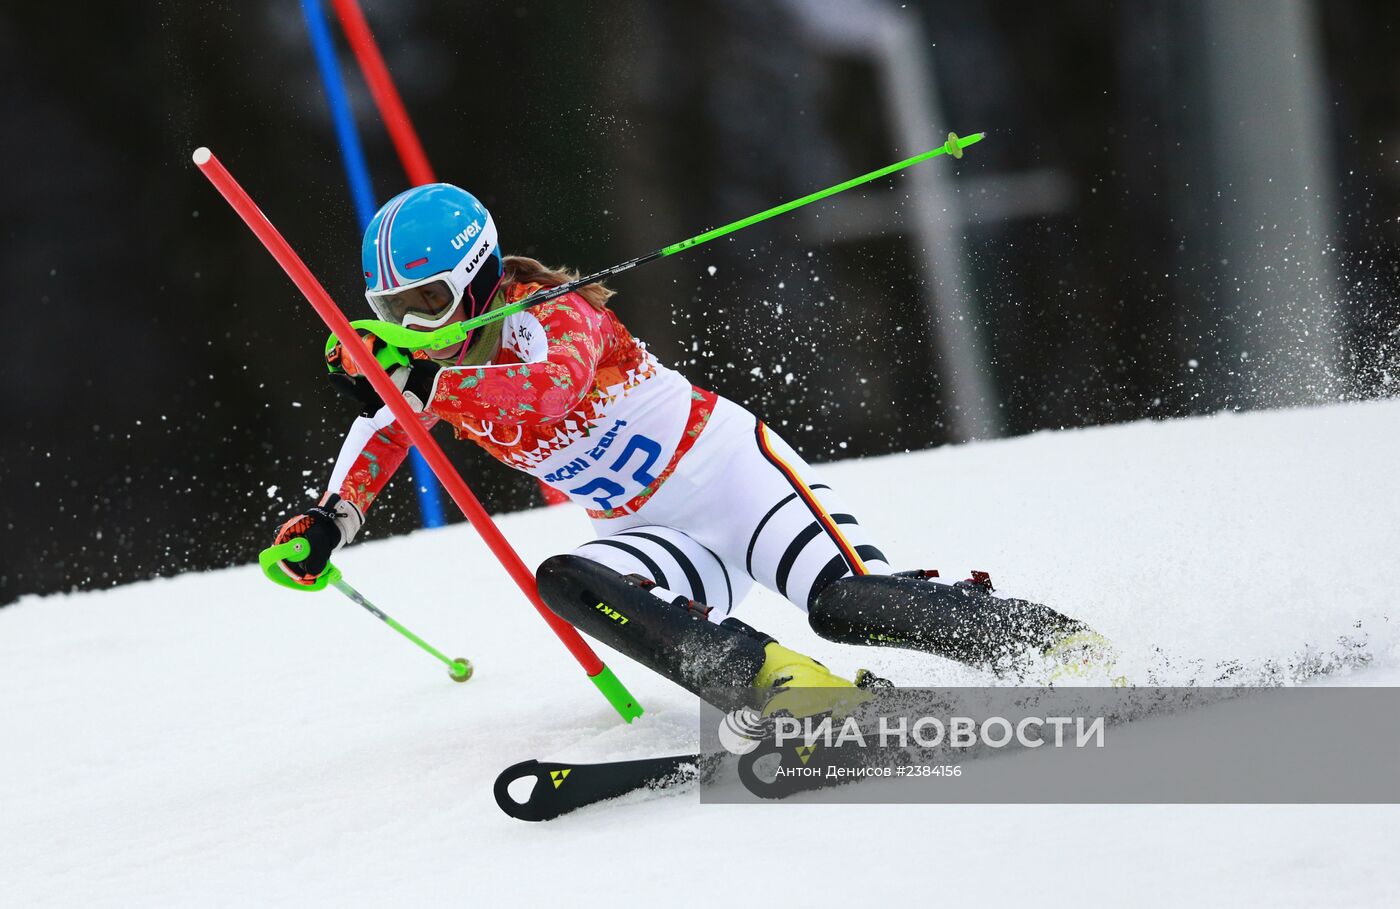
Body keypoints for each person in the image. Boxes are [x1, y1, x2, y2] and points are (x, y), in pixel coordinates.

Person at [272, 184, 1109, 706]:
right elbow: (381, 430)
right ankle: (785, 689)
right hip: (651, 528)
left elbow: (544, 391)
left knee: (846, 605)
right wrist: (326, 523)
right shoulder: (428, 366)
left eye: (428, 302)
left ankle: (1050, 642)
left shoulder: (557, 315)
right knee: (567, 578)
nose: (413, 329)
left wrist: (418, 383)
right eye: (391, 308)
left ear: (481, 277)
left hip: (733, 480)